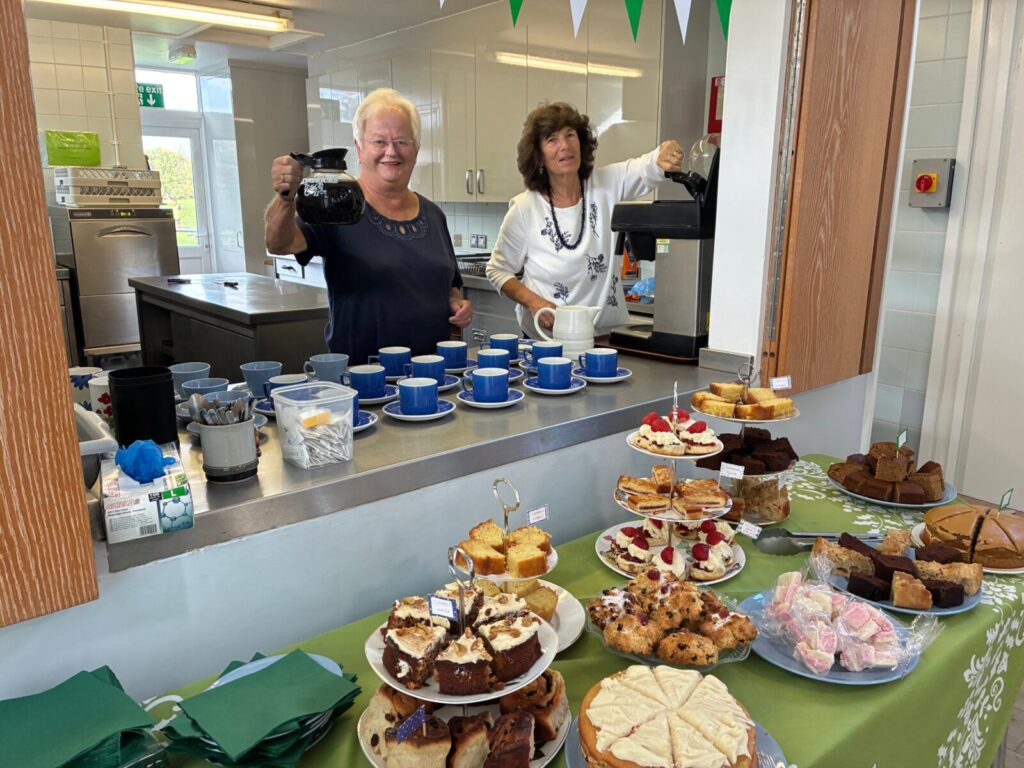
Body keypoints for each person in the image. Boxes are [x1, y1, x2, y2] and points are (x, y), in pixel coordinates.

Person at [265, 88, 472, 363]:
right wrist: (285, 197)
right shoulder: (337, 205)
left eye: (401, 141)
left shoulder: (434, 215)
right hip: (363, 374)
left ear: (416, 150)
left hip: (432, 373)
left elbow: (449, 286)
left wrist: (456, 304)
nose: (391, 151)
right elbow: (279, 243)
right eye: (379, 141)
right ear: (359, 148)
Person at [486, 102, 685, 336]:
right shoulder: (525, 208)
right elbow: (497, 270)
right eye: (552, 140)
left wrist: (664, 152)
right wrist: (534, 303)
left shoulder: (605, 184)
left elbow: (645, 167)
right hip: (545, 338)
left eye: (570, 135)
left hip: (603, 336)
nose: (565, 146)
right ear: (538, 155)